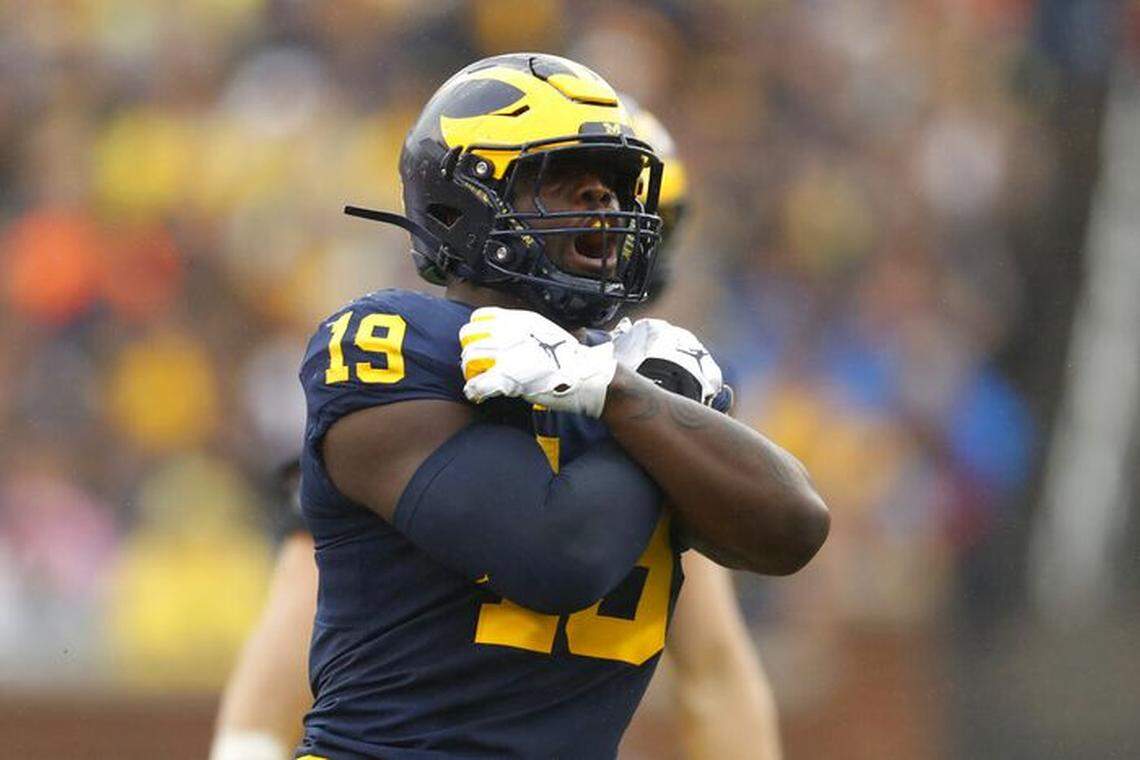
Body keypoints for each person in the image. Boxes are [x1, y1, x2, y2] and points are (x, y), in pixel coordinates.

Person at [212, 84, 788, 760]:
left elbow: (721, 653)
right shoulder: (413, 352)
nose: (607, 219)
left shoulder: (670, 378)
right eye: (570, 189)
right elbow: (300, 592)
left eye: (626, 196)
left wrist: (631, 394)